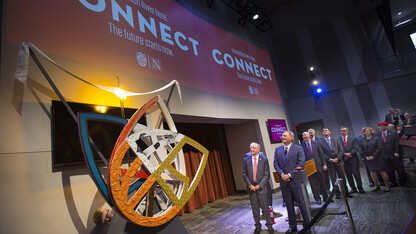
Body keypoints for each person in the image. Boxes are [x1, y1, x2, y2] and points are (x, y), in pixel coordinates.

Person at [274, 131, 309, 234]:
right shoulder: (278, 149)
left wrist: (289, 175)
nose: (282, 137)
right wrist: (282, 175)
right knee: (289, 205)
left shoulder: (298, 148)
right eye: (282, 136)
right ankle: (292, 226)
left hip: (296, 182)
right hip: (284, 183)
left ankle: (307, 225)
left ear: (291, 137)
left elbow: (301, 164)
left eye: (285, 135)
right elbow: (275, 163)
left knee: (302, 204)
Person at [242, 142, 274, 234]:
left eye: (254, 148)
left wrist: (259, 185)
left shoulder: (264, 159)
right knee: (255, 209)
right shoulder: (246, 159)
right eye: (251, 148)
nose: (251, 149)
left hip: (262, 188)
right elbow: (244, 174)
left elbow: (267, 175)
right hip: (251, 189)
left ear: (258, 150)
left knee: (265, 208)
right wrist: (250, 185)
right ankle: (257, 226)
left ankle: (269, 225)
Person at [320, 128, 352, 199]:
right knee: (333, 179)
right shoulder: (320, 142)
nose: (324, 131)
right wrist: (329, 159)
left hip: (339, 162)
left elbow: (341, 150)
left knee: (342, 177)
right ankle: (337, 193)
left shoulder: (336, 139)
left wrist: (338, 158)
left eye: (326, 130)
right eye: (323, 131)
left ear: (330, 132)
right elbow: (322, 153)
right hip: (330, 163)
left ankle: (346, 192)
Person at [375, 122, 408, 187]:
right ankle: (393, 182)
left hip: (394, 154)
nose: (380, 127)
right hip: (385, 155)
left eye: (382, 126)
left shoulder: (393, 133)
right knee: (390, 170)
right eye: (379, 126)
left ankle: (403, 182)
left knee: (400, 169)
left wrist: (396, 152)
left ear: (386, 126)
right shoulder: (376, 134)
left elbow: (396, 143)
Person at [301, 131, 328, 204]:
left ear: (309, 136)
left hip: (319, 166)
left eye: (305, 135)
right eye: (303, 136)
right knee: (313, 185)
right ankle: (317, 198)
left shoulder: (317, 143)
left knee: (322, 183)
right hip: (309, 169)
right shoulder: (301, 146)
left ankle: (326, 197)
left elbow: (321, 155)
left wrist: (324, 164)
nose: (304, 136)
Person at [359, 127, 390, 192]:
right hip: (369, 159)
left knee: (382, 171)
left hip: (378, 158)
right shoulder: (362, 140)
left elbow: (379, 148)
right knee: (372, 172)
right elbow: (361, 150)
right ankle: (376, 186)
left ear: (371, 131)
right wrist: (366, 157)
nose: (366, 132)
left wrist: (373, 156)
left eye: (368, 131)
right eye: (365, 131)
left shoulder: (376, 138)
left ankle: (387, 186)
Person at [339, 126, 364, 194]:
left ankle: (360, 188)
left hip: (353, 159)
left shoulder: (353, 139)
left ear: (347, 131)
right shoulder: (338, 140)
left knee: (356, 174)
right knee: (348, 175)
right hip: (344, 160)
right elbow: (338, 150)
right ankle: (353, 188)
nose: (342, 132)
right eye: (341, 131)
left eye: (344, 130)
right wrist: (345, 154)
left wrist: (349, 154)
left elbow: (356, 148)